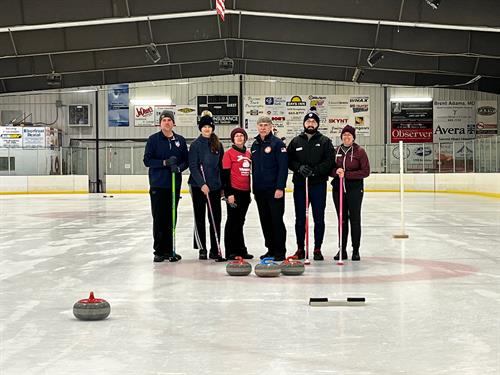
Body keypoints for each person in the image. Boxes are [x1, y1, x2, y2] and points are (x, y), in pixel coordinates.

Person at [287, 107, 334, 261]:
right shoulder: (295, 141)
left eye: (313, 121)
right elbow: (288, 160)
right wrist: (299, 168)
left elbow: (329, 162)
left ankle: (317, 248)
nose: (311, 123)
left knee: (318, 218)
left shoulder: (325, 141)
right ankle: (300, 248)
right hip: (300, 185)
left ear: (317, 124)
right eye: (308, 121)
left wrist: (314, 171)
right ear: (304, 123)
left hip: (318, 185)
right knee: (300, 218)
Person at [143, 110, 188, 263]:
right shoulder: (153, 139)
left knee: (171, 219)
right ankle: (159, 251)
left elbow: (186, 161)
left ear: (173, 123)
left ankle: (170, 250)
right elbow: (147, 161)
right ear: (160, 123)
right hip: (158, 185)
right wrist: (164, 163)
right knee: (159, 219)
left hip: (174, 186)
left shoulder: (180, 140)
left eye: (169, 120)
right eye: (164, 120)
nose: (167, 122)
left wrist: (179, 168)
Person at [188, 110, 225, 261]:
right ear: (200, 128)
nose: (207, 129)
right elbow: (193, 166)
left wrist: (222, 186)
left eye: (209, 126)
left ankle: (215, 248)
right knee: (200, 218)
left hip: (215, 187)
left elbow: (222, 167)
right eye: (204, 127)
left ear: (212, 128)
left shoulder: (218, 144)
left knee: (215, 218)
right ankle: (202, 248)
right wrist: (202, 184)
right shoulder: (195, 145)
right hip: (198, 187)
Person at [251, 116, 288, 261]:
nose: (263, 127)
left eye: (266, 125)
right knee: (265, 221)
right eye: (261, 125)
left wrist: (280, 187)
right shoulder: (255, 145)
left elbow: (283, 168)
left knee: (276, 221)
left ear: (271, 126)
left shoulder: (278, 144)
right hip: (260, 191)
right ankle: (270, 249)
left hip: (274, 191)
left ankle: (280, 251)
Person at [331, 125, 370, 261]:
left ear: (353, 137)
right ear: (341, 137)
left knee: (354, 219)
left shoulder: (360, 152)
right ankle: (342, 249)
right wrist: (336, 172)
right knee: (341, 220)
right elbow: (330, 169)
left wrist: (347, 174)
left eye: (349, 135)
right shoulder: (336, 151)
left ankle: (356, 250)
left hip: (354, 189)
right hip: (338, 189)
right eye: (344, 135)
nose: (346, 137)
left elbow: (365, 172)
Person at [222, 127, 253, 260]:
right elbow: (225, 175)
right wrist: (229, 193)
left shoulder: (248, 153)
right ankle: (231, 251)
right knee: (232, 222)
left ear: (245, 138)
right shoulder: (228, 153)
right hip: (234, 192)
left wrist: (249, 192)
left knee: (240, 222)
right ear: (233, 139)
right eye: (237, 136)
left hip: (245, 192)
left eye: (241, 135)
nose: (239, 138)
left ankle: (241, 249)